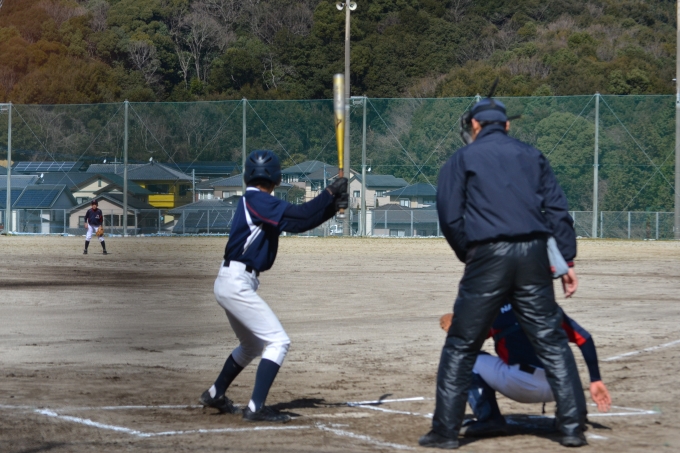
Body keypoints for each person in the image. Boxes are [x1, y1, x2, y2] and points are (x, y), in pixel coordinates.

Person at [419, 95, 588, 449]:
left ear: (474, 125)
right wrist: (566, 262)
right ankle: (572, 428)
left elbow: (450, 216)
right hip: (534, 254)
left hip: (488, 252)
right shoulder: (533, 155)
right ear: (507, 125)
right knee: (551, 340)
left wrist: (469, 252)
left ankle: (445, 433)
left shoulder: (461, 158)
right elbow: (558, 211)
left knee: (462, 344)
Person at [199, 150, 348, 423]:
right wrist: (329, 192)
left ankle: (215, 392)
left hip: (231, 281)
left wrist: (331, 207)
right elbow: (302, 212)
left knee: (251, 345)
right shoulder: (257, 200)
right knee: (278, 342)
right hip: (237, 283)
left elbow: (300, 223)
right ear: (277, 178)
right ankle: (256, 407)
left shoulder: (258, 203)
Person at [439, 304, 611, 438]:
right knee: (564, 362)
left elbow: (468, 341)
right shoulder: (547, 305)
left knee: (467, 359)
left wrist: (458, 326)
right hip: (561, 389)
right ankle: (571, 415)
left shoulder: (496, 306)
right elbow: (585, 339)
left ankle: (489, 419)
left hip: (520, 384)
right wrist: (595, 379)